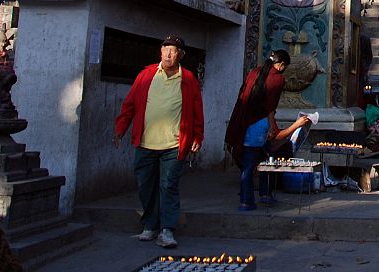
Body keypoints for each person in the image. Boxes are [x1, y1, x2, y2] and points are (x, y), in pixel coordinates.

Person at [113, 36, 205, 249]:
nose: (168, 55)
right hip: (146, 142)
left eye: (173, 51)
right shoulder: (146, 75)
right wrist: (120, 129)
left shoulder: (189, 79)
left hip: (174, 144)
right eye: (165, 50)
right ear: (160, 52)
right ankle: (150, 224)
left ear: (180, 54)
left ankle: (167, 229)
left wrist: (197, 137)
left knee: (168, 185)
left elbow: (197, 112)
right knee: (145, 184)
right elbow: (129, 105)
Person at [224, 49, 311, 211]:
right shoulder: (277, 80)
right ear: (282, 65)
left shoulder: (254, 72)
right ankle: (260, 196)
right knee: (265, 160)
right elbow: (272, 113)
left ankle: (249, 200)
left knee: (253, 164)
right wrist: (297, 124)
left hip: (244, 122)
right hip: (259, 125)